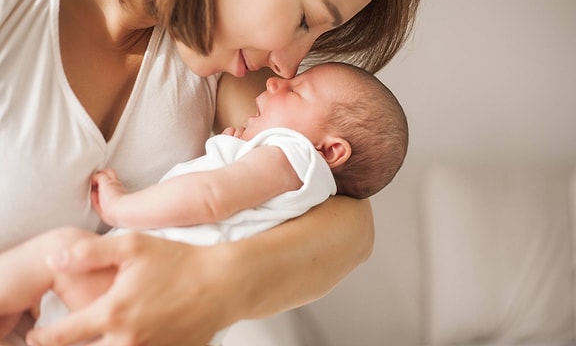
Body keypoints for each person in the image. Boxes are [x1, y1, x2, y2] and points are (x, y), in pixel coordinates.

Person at [0, 0, 427, 344]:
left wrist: (212, 285)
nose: (288, 65)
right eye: (304, 18)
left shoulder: (221, 66)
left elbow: (350, 225)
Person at [0, 62, 409, 344]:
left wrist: (122, 206)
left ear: (330, 151)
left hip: (134, 285)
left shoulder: (294, 152)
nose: (276, 81)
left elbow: (211, 197)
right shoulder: (300, 189)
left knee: (56, 254)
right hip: (166, 320)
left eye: (298, 90)